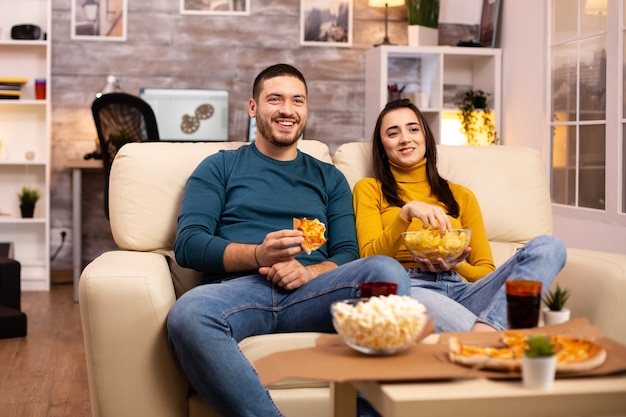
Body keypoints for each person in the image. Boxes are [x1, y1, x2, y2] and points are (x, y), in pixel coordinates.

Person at [166, 64, 411, 417]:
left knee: (386, 271)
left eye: (297, 100)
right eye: (275, 99)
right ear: (253, 107)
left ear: (306, 110)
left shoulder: (330, 178)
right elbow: (189, 244)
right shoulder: (219, 167)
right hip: (239, 293)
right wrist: (259, 254)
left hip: (314, 294)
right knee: (188, 313)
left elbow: (348, 253)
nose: (287, 109)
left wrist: (310, 274)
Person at [353, 98, 567, 333]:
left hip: (462, 289)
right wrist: (405, 213)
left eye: (413, 129)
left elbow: (485, 269)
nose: (405, 138)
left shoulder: (461, 196)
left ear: (425, 136)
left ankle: (486, 330)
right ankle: (488, 335)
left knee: (549, 247)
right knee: (467, 327)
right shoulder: (370, 189)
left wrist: (454, 267)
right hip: (409, 287)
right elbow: (369, 259)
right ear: (383, 147)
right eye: (393, 133)